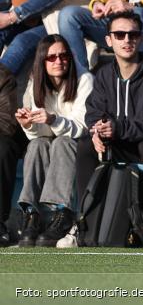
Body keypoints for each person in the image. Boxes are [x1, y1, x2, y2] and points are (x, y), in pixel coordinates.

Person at [74, 11, 143, 249]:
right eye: (119, 34)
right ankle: (83, 221)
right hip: (121, 142)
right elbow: (93, 111)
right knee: (84, 146)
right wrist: (97, 131)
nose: (126, 40)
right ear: (109, 40)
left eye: (133, 34)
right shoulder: (103, 75)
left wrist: (118, 128)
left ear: (141, 39)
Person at [14, 35, 91, 247]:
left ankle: (62, 212)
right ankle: (32, 213)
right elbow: (40, 135)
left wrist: (53, 119)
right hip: (50, 142)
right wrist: (28, 125)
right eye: (52, 57)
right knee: (36, 144)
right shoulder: (35, 84)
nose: (59, 61)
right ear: (42, 61)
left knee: (62, 142)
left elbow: (82, 128)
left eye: (64, 55)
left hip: (79, 143)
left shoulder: (84, 80)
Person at [0, 65, 25, 246]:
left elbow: (8, 123)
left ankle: (0, 222)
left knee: (3, 149)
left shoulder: (3, 77)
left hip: (3, 136)